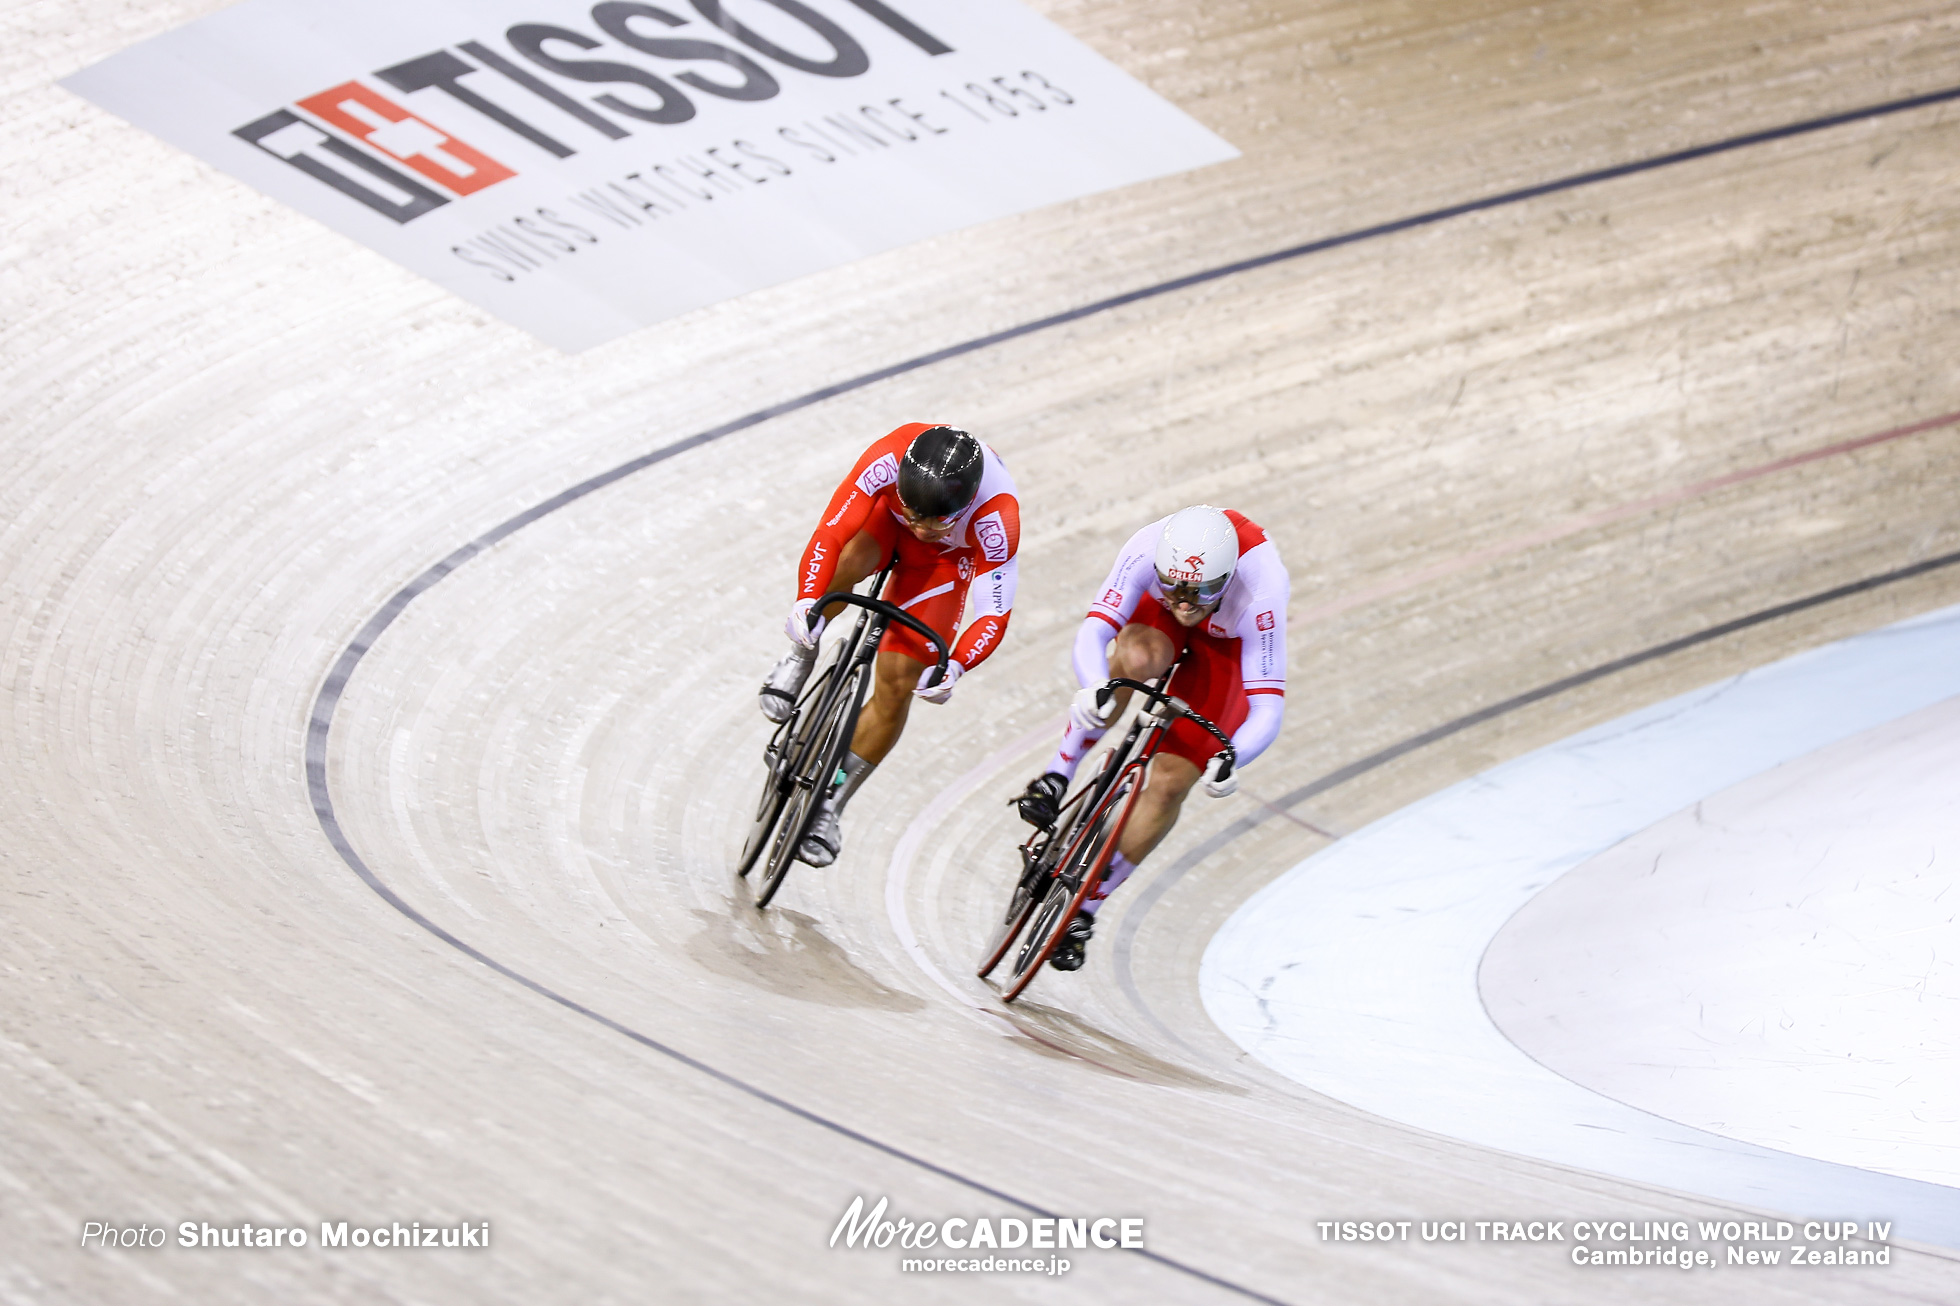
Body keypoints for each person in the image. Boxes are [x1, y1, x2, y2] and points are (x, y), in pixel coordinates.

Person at [1014, 505, 1288, 970]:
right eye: (1175, 585)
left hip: (1227, 648)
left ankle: (1084, 911)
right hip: (1156, 630)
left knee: (1167, 784)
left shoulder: (1261, 590)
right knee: (1137, 662)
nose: (1185, 601)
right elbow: (1096, 629)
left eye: (1199, 591)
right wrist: (1093, 686)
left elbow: (1267, 705)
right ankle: (1056, 776)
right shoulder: (1146, 549)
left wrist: (1231, 757)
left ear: (1228, 578)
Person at [759, 423, 1020, 866]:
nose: (921, 527)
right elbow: (831, 532)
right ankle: (800, 653)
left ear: (966, 504)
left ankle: (830, 801)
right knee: (846, 563)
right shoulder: (888, 456)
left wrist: (955, 666)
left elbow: (993, 613)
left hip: (943, 563)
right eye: (914, 512)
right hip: (882, 525)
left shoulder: (998, 515)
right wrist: (807, 600)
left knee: (898, 685)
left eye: (936, 520)